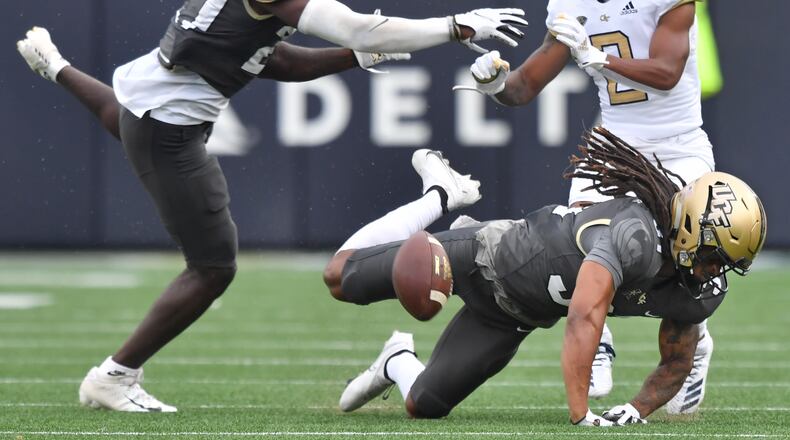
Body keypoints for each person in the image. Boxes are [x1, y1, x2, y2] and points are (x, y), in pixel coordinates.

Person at [16, 0, 527, 413]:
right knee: (213, 267)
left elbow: (274, 59)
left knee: (130, 124)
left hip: (149, 102)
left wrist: (355, 58)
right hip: (168, 128)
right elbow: (361, 29)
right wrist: (454, 27)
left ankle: (58, 68)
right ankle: (115, 376)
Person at [323, 127, 766, 425]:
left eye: (727, 262)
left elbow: (676, 364)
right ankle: (440, 194)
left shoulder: (699, 291)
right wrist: (581, 414)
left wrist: (634, 410)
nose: (714, 270)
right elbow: (584, 318)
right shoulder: (634, 235)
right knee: (340, 277)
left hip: (512, 314)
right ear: (689, 227)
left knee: (425, 405)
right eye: (713, 255)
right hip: (484, 254)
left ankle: (395, 359)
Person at [459, 0, 718, 413]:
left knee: (681, 255)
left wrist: (598, 57)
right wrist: (494, 84)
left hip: (678, 146)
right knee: (581, 245)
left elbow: (667, 73)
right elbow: (524, 87)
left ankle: (696, 338)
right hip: (614, 144)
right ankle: (600, 343)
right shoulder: (570, 4)